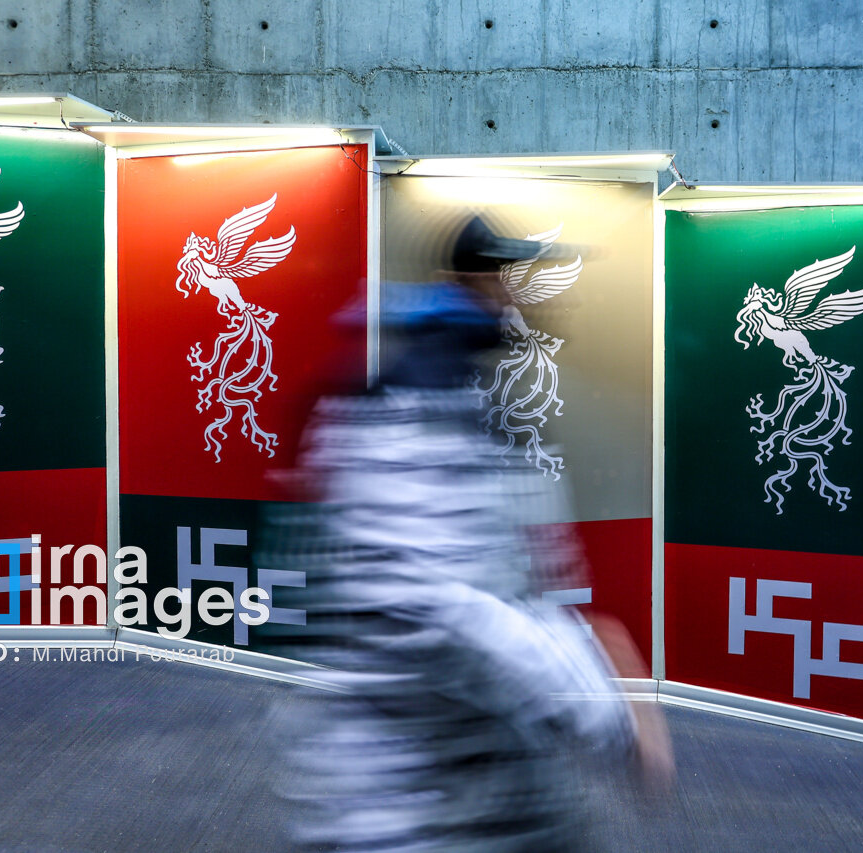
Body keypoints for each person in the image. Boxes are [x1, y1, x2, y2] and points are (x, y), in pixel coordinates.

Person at [255, 213, 673, 851]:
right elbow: (427, 606)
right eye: (500, 276)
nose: (512, 295)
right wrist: (599, 698)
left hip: (481, 786)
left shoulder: (458, 402)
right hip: (410, 803)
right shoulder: (406, 416)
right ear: (460, 281)